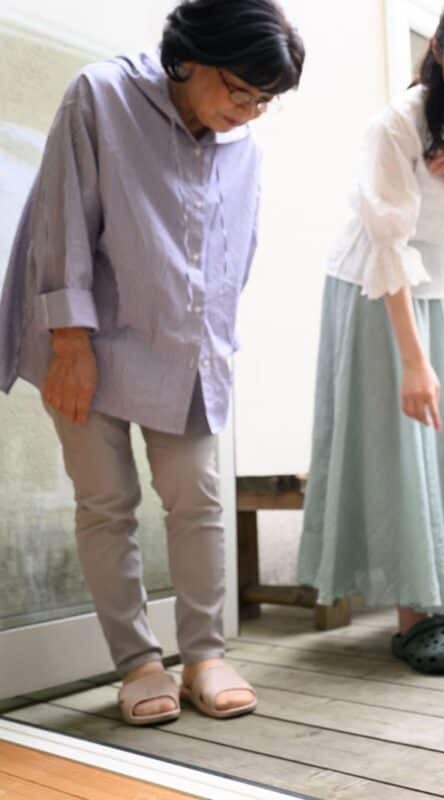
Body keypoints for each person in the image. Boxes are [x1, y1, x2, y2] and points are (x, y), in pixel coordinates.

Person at [0, 0, 304, 725]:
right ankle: (137, 663)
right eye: (240, 91)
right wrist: (68, 343)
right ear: (191, 56)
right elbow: (61, 220)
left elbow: (238, 254)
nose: (250, 112)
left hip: (185, 346)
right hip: (90, 341)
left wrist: (218, 342)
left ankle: (204, 655)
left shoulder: (245, 148)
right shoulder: (101, 95)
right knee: (107, 506)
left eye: (265, 100)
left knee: (197, 500)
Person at [297, 0, 444, 675]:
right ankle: (413, 615)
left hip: (434, 285)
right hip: (377, 288)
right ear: (437, 48)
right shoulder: (395, 125)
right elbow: (388, 246)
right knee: (402, 439)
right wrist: (412, 362)